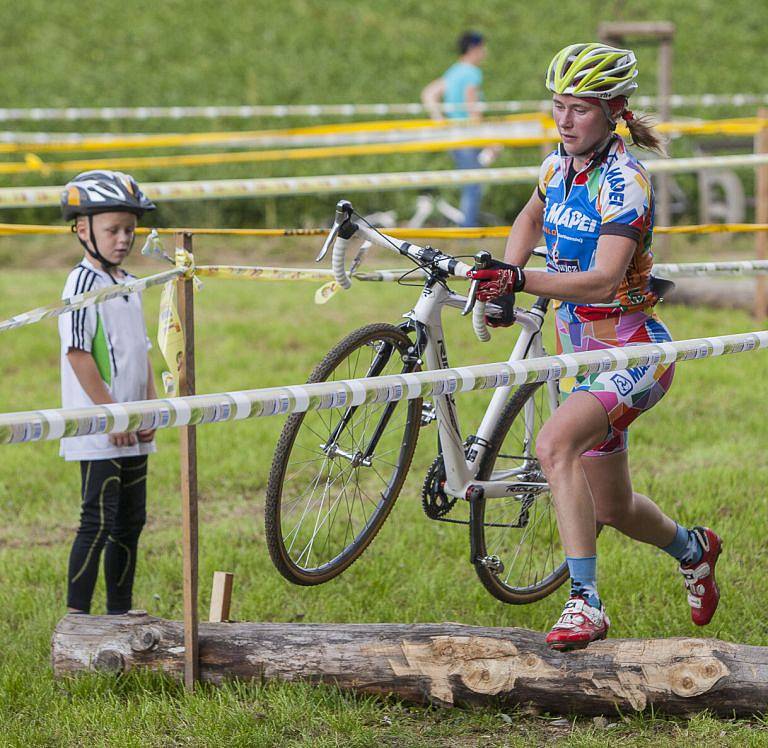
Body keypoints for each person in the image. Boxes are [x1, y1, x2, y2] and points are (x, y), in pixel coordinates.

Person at [469, 43, 722, 650]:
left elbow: (604, 279)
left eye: (578, 109)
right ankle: (694, 548)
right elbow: (530, 220)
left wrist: (519, 279)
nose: (564, 121)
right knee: (613, 507)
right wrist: (506, 276)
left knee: (555, 443)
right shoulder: (558, 166)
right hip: (579, 354)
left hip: (632, 353)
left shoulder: (624, 181)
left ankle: (585, 603)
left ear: (614, 111)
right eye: (558, 106)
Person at [58, 170, 158, 615]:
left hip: (134, 426)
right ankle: (77, 617)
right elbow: (78, 354)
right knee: (97, 521)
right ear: (83, 229)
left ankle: (120, 613)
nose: (123, 239)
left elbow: (141, 350)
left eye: (129, 230)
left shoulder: (130, 284)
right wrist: (112, 413)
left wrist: (151, 405)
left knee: (130, 522)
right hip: (102, 430)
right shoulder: (81, 286)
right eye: (112, 230)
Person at [421, 30, 496, 227]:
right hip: (469, 136)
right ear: (473, 49)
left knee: (470, 181)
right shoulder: (472, 73)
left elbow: (429, 93)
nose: (485, 52)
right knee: (473, 184)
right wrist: (489, 140)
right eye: (482, 47)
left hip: (454, 135)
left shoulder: (453, 71)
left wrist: (440, 120)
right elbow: (473, 110)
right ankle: (467, 230)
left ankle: (466, 226)